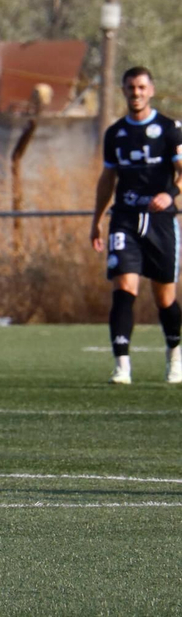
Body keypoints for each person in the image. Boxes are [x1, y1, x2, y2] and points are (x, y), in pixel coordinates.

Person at [91, 66, 182, 385]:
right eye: (130, 87)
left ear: (151, 90)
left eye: (142, 87)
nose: (136, 93)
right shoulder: (115, 133)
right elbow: (107, 180)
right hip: (125, 219)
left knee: (165, 299)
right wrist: (97, 220)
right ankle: (122, 366)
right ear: (123, 91)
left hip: (160, 222)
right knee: (124, 288)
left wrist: (169, 195)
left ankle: (174, 354)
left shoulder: (171, 129)